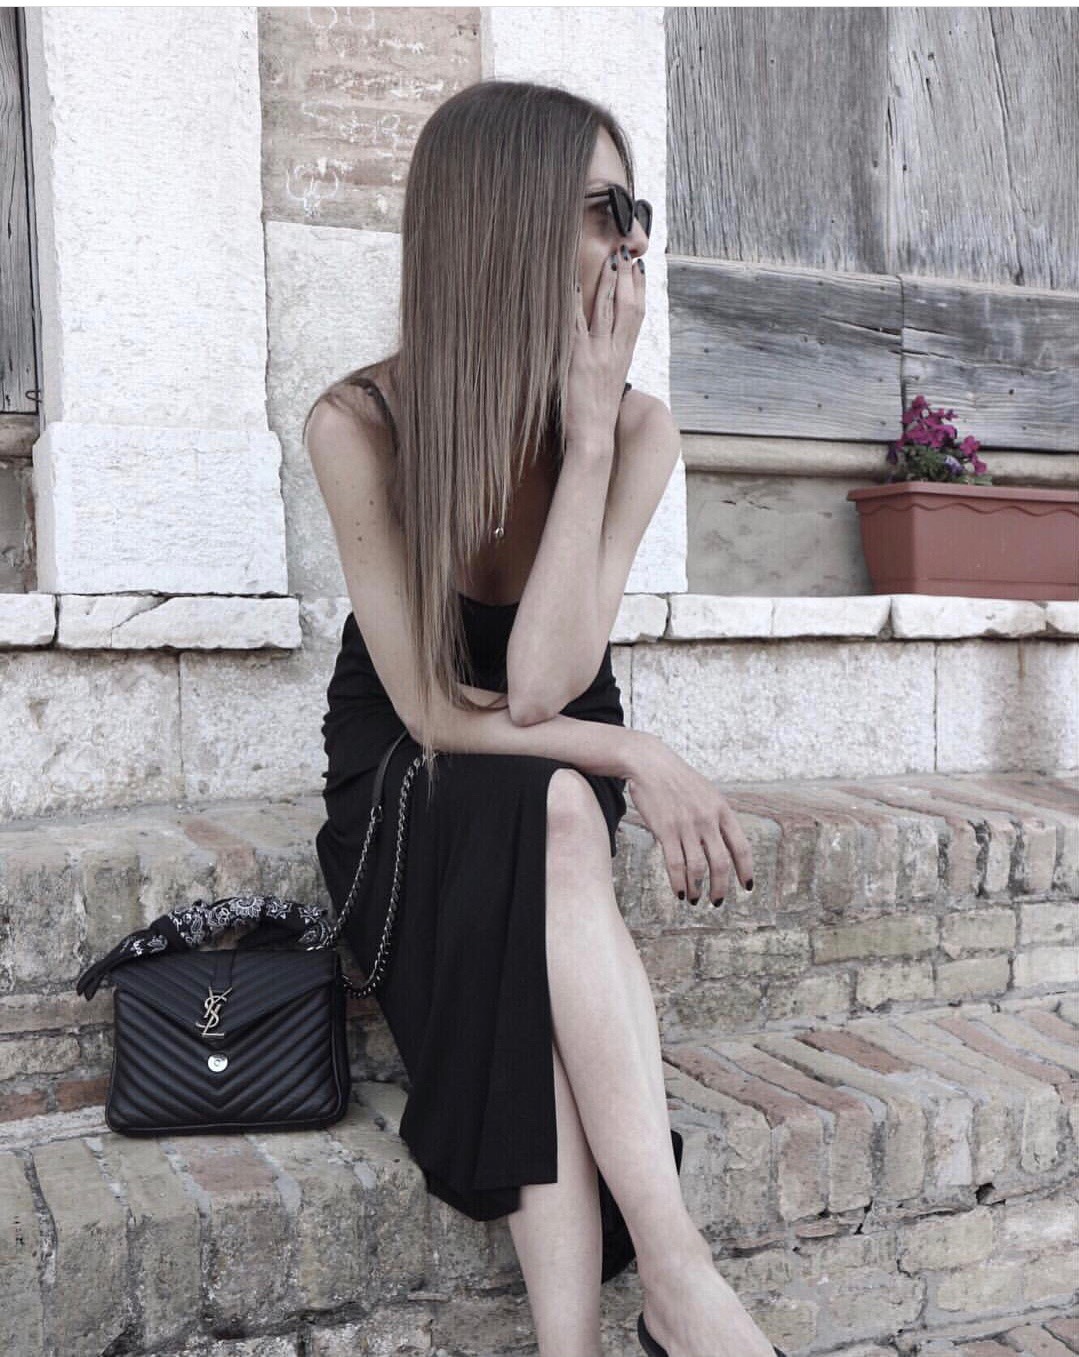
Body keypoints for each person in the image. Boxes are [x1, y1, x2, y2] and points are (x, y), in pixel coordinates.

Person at [303, 79, 783, 1357]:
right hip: (409, 764)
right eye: (602, 211)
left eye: (639, 214)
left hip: (543, 733)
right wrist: (631, 749)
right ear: (503, 218)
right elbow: (437, 707)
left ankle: (643, 1297)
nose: (631, 245)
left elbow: (539, 683)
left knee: (556, 808)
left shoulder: (637, 432)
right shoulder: (359, 424)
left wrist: (585, 437)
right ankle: (678, 1287)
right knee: (560, 799)